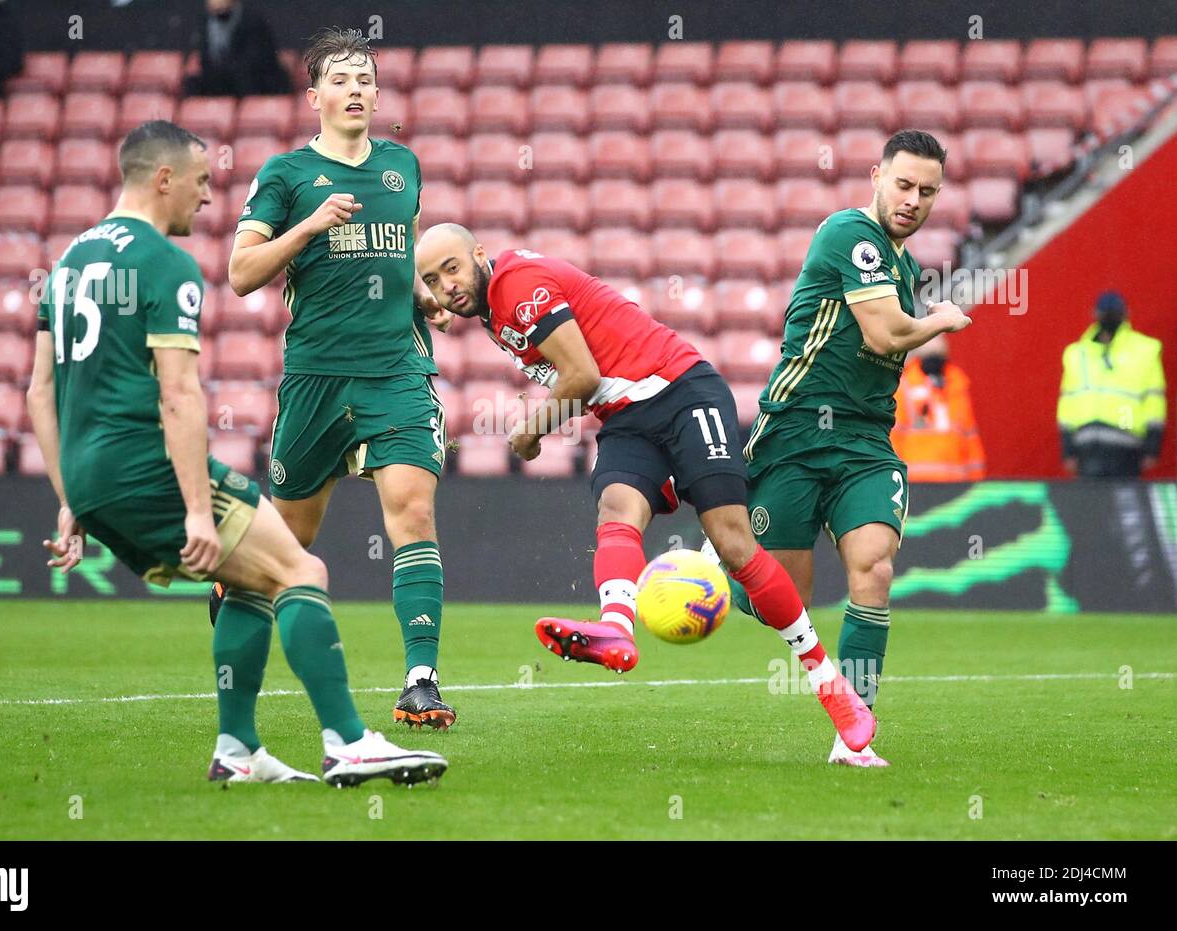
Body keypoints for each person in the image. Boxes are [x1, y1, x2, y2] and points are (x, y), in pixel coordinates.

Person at [26, 119, 446, 788]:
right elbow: (180, 397)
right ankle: (347, 742)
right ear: (162, 179)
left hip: (87, 475)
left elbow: (40, 392)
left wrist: (70, 496)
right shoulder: (165, 263)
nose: (205, 197)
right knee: (299, 571)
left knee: (252, 579)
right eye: (198, 181)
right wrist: (199, 508)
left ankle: (238, 749)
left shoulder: (68, 263)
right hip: (147, 467)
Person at [416, 224, 878, 755]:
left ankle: (831, 686)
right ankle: (617, 629)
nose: (446, 285)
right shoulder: (495, 303)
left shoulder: (517, 285)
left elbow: (582, 376)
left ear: (479, 254)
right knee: (616, 508)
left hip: (681, 392)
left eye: (452, 268)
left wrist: (530, 431)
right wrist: (435, 305)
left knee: (733, 544)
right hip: (628, 417)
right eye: (433, 279)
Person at [215, 28, 458, 729]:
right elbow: (240, 275)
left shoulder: (403, 167)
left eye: (365, 78)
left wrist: (422, 297)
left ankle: (420, 679)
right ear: (314, 95)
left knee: (412, 512)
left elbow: (399, 259)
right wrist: (308, 227)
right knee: (288, 542)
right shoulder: (286, 176)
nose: (355, 89)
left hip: (396, 373)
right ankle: (241, 600)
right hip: (316, 378)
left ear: (377, 94)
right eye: (341, 79)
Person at [722, 130, 973, 768]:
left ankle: (853, 732)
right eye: (905, 185)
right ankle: (714, 567)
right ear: (876, 177)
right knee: (784, 596)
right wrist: (939, 321)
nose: (914, 200)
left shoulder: (904, 264)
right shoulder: (848, 235)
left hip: (864, 440)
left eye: (928, 192)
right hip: (795, 431)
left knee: (875, 565)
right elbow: (887, 333)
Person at [1058, 291, 1166, 478]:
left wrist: (1152, 444)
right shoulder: (1077, 353)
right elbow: (1067, 404)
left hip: (1125, 435)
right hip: (1087, 443)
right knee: (1092, 504)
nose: (1108, 318)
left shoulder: (1144, 349)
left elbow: (1154, 401)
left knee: (1122, 501)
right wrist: (1068, 447)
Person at [890, 335, 987, 482]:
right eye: (930, 356)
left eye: (938, 356)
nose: (934, 363)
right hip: (915, 483)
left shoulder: (957, 387)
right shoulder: (905, 387)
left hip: (955, 483)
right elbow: (893, 438)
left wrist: (976, 484)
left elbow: (970, 438)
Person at [184, 0, 289, 97]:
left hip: (252, 80)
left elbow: (257, 60)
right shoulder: (204, 23)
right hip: (220, 79)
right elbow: (205, 59)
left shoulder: (252, 20)